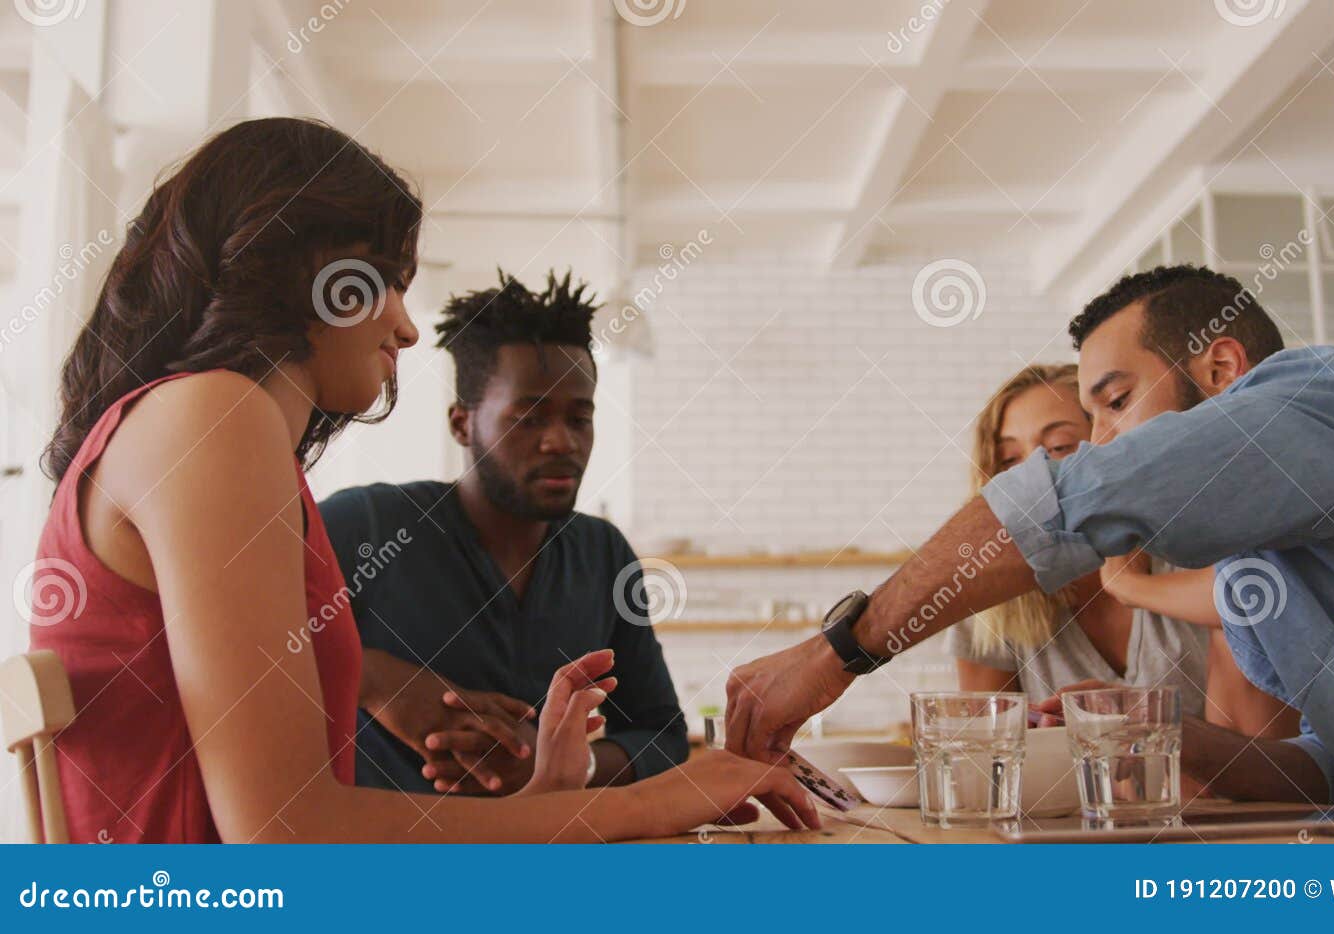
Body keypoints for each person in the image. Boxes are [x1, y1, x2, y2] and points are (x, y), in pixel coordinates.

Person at [25, 117, 817, 843]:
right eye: (388, 280)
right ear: (309, 267)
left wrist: (545, 795)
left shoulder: (219, 431)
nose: (404, 325)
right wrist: (646, 801)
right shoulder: (211, 417)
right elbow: (287, 838)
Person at [726, 264, 1334, 816]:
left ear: (1219, 368)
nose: (1100, 438)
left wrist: (837, 650)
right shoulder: (1274, 559)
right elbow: (1331, 770)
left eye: (1112, 401)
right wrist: (1138, 732)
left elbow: (1069, 502)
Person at [320, 269, 687, 796]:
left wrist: (564, 767)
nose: (560, 441)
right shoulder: (366, 524)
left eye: (578, 418)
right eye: (528, 418)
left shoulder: (604, 554)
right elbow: (245, 659)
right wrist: (373, 679)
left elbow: (662, 737)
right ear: (462, 425)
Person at [949, 363, 1296, 739]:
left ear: (1110, 450)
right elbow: (987, 756)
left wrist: (1127, 584)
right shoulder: (991, 604)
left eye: (1059, 448)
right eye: (1009, 461)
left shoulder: (1194, 548)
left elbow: (1262, 600)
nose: (1031, 481)